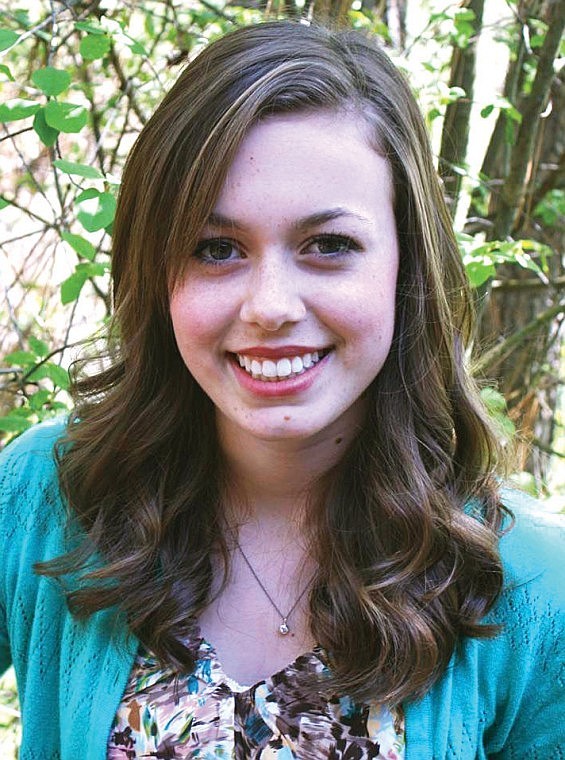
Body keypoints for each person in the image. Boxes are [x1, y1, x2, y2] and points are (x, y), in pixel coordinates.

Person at [0, 19, 563, 760]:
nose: (269, 306)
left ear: (406, 266)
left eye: (328, 245)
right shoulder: (47, 496)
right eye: (216, 249)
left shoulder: (531, 589)